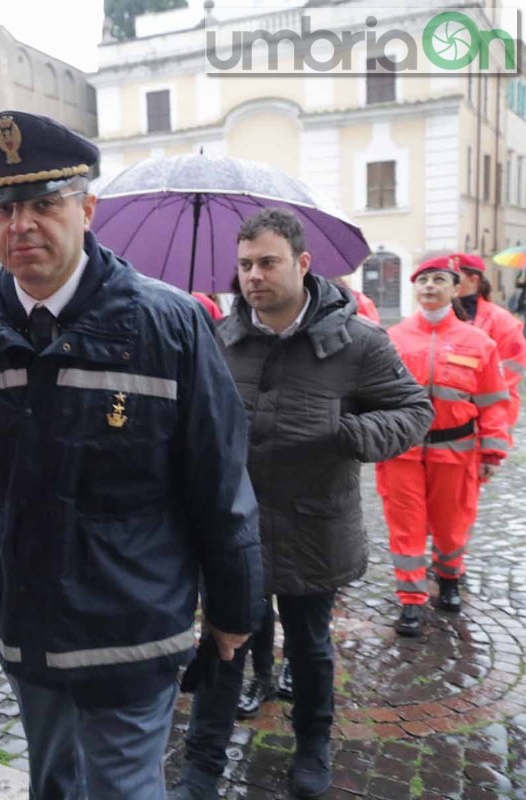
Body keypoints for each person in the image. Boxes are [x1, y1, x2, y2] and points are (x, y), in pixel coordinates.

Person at [0, 109, 263, 799]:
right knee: (54, 781)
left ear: (87, 209)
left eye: (44, 204)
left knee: (123, 788)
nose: (22, 225)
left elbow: (220, 484)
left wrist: (233, 609)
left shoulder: (170, 324)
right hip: (20, 624)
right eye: (5, 208)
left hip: (131, 626)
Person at [173, 209, 433, 800]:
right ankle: (203, 765)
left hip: (315, 527)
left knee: (311, 647)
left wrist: (351, 434)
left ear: (302, 263)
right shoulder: (220, 339)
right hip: (233, 525)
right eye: (244, 265)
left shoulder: (359, 344)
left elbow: (415, 411)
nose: (253, 276)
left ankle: (312, 744)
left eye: (267, 262)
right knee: (222, 638)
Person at [378, 255, 511, 635]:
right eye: (422, 280)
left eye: (439, 280)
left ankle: (450, 578)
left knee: (453, 523)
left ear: (456, 289)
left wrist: (492, 450)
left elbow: (493, 400)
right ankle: (411, 601)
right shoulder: (393, 339)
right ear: (414, 289)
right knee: (405, 526)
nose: (430, 286)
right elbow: (375, 395)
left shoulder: (478, 343)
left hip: (456, 451)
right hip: (403, 452)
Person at [452, 252, 526, 431]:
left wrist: (480, 390)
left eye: (456, 277)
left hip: (491, 409)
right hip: (450, 410)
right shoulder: (440, 315)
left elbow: (515, 365)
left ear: (473, 279)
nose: (450, 281)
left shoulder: (501, 319)